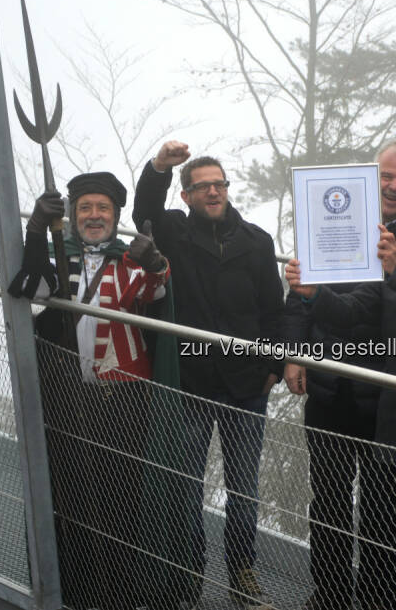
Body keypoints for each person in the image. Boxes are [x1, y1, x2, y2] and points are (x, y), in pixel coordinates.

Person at [285, 167, 396, 610]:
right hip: (394, 409)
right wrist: (313, 295)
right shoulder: (395, 249)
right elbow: (355, 309)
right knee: (382, 517)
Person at [8, 172, 170, 610]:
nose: (94, 216)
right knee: (69, 491)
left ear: (115, 216)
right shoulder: (60, 255)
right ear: (74, 215)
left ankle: (116, 594)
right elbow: (33, 289)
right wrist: (36, 229)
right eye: (85, 208)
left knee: (120, 495)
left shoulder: (129, 259)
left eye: (103, 209)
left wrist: (154, 262)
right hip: (67, 394)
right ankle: (72, 591)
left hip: (122, 396)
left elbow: (156, 294)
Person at [133, 141, 284, 609]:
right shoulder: (174, 232)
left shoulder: (257, 241)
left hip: (245, 385)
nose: (213, 192)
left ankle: (242, 571)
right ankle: (189, 571)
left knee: (244, 489)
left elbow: (272, 310)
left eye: (219, 184)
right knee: (187, 486)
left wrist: (274, 368)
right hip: (193, 381)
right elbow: (144, 211)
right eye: (203, 187)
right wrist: (158, 167)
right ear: (187, 196)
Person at [280, 138, 396, 610]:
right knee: (330, 502)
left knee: (388, 511)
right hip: (330, 388)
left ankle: (386, 599)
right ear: (370, 175)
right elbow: (300, 293)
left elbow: (384, 308)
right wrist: (295, 354)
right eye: (388, 176)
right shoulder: (329, 221)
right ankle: (332, 594)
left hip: (386, 397)